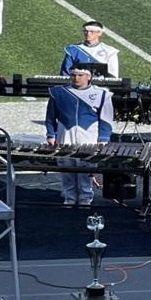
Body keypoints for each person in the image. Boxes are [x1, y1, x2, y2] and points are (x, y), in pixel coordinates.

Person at [44, 66, 112, 207]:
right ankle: (69, 196)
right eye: (74, 75)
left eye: (80, 75)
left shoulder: (101, 94)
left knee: (85, 166)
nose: (76, 78)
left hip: (89, 136)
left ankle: (85, 196)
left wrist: (103, 138)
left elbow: (106, 118)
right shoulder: (58, 92)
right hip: (65, 134)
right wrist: (51, 134)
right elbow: (50, 116)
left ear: (89, 77)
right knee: (66, 165)